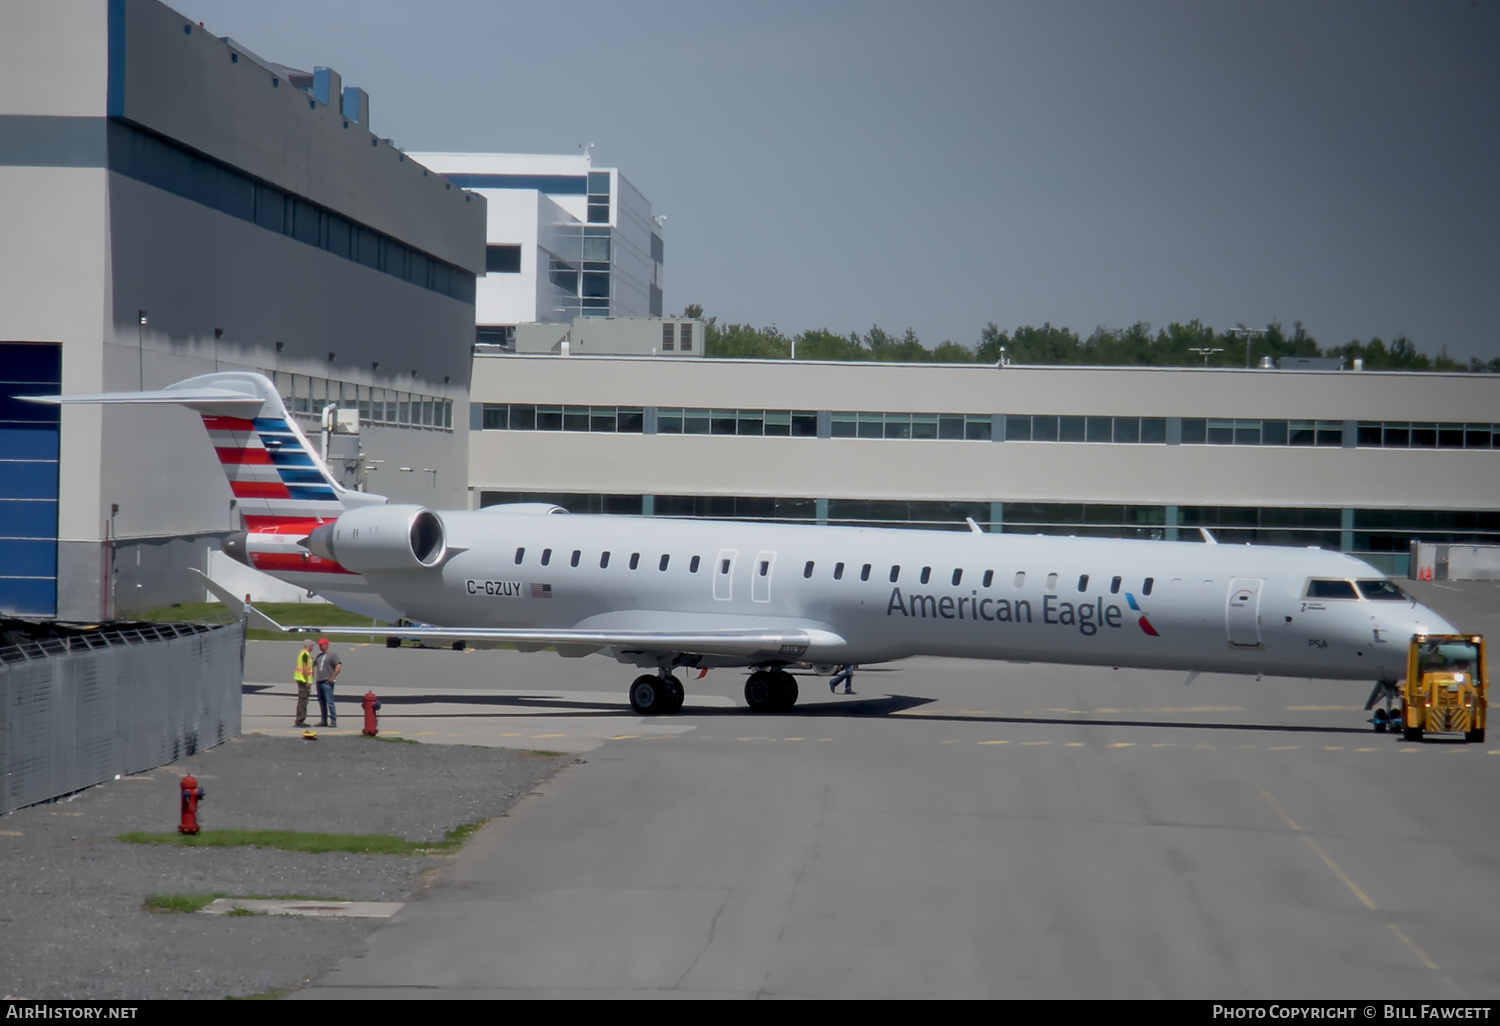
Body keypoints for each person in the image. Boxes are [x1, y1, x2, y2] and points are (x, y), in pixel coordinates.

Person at [314, 637, 342, 727]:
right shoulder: (319, 656)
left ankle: (333, 720)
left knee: (330, 701)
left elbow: (338, 666)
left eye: (321, 645)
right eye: (319, 645)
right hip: (319, 681)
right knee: (321, 702)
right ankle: (323, 720)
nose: (320, 647)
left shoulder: (332, 655)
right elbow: (312, 664)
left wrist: (332, 677)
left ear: (326, 645)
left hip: (327, 681)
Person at [293, 640, 315, 727]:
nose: (313, 648)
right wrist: (307, 681)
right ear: (309, 646)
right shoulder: (305, 654)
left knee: (302, 700)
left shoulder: (302, 653)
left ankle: (300, 719)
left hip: (300, 679)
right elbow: (305, 668)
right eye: (312, 646)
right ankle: (300, 720)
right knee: (303, 700)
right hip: (303, 680)